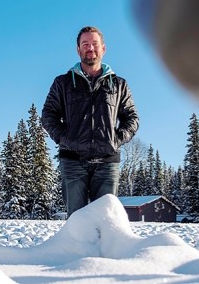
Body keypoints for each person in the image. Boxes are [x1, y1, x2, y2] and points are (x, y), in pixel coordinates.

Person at [42, 26, 139, 218]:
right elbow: (48, 115)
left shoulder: (119, 84)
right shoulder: (63, 83)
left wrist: (116, 139)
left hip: (107, 163)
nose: (90, 48)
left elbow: (132, 118)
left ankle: (103, 250)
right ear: (78, 50)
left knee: (106, 222)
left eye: (94, 44)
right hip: (73, 162)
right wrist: (64, 138)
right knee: (76, 223)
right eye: (85, 44)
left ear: (103, 48)